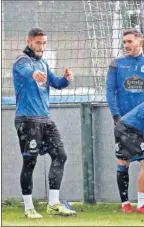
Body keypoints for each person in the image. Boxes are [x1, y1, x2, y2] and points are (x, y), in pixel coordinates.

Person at [12, 28, 76, 218]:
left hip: (45, 119)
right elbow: (26, 71)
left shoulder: (44, 63)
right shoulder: (21, 61)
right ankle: (28, 207)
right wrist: (33, 74)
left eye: (44, 43)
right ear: (30, 42)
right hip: (27, 120)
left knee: (60, 155)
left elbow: (55, 83)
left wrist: (66, 80)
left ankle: (54, 204)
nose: (42, 47)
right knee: (29, 162)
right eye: (39, 43)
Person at [106, 28, 144, 213]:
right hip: (124, 122)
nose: (126, 45)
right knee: (123, 161)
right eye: (124, 42)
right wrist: (116, 116)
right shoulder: (117, 64)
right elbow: (110, 91)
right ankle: (125, 204)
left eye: (130, 41)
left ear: (140, 42)